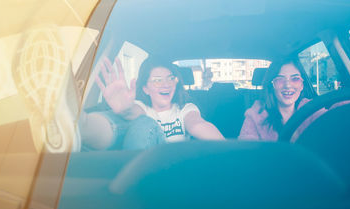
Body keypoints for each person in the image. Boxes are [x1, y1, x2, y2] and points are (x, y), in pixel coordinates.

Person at [81, 56, 224, 150]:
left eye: (170, 78)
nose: (166, 84)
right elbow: (132, 111)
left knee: (144, 123)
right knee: (139, 122)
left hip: (175, 169)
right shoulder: (142, 108)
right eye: (157, 80)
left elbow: (197, 124)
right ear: (145, 88)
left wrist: (227, 150)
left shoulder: (184, 108)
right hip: (140, 168)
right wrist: (125, 109)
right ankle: (80, 126)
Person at [239, 59, 311, 141]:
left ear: (302, 85)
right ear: (272, 86)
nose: (287, 85)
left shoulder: (311, 109)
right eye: (280, 79)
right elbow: (247, 149)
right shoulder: (256, 115)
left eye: (295, 79)